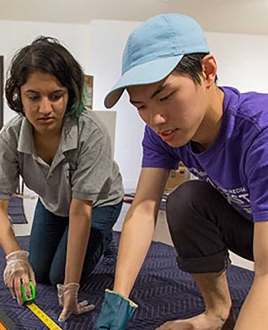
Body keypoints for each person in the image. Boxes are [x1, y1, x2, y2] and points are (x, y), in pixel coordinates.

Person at [96, 13, 268, 330]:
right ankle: (217, 313)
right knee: (186, 200)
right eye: (141, 106)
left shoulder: (260, 131)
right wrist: (117, 300)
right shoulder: (165, 133)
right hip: (253, 227)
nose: (156, 119)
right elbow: (145, 208)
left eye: (165, 96)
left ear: (208, 72)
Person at [0, 36, 124, 322]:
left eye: (55, 96)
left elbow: (81, 210)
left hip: (96, 204)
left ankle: (104, 239)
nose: (45, 109)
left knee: (60, 276)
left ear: (70, 94)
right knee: (39, 270)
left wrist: (71, 288)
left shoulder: (91, 132)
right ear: (18, 95)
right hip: (53, 203)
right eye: (33, 97)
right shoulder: (10, 137)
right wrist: (14, 257)